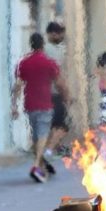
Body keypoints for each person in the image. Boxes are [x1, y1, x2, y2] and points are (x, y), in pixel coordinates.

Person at [11, 33, 71, 183]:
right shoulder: (49, 63)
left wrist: (14, 105)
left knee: (37, 136)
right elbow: (60, 83)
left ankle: (43, 164)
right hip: (45, 103)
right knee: (43, 135)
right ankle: (37, 165)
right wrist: (66, 96)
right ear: (43, 45)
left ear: (31, 44)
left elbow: (17, 86)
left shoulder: (23, 63)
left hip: (29, 105)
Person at [43, 22, 69, 171]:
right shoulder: (54, 51)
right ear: (52, 34)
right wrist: (66, 93)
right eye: (59, 33)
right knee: (62, 126)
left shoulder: (44, 50)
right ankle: (48, 152)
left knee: (52, 126)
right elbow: (57, 76)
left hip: (44, 93)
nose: (61, 36)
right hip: (55, 93)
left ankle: (49, 152)